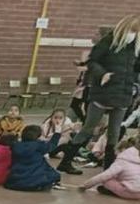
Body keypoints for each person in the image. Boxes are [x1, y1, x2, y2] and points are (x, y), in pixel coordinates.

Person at [57, 17, 140, 173]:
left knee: (115, 132)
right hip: (103, 91)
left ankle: (108, 168)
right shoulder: (108, 41)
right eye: (134, 31)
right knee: (88, 128)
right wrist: (103, 74)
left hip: (123, 93)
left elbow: (136, 67)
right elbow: (92, 61)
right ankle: (66, 161)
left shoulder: (135, 46)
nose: (135, 34)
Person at [5, 124, 63, 191]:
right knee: (54, 174)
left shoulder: (16, 145)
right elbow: (52, 146)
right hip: (34, 180)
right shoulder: (39, 145)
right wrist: (57, 133)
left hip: (15, 181)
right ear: (37, 137)